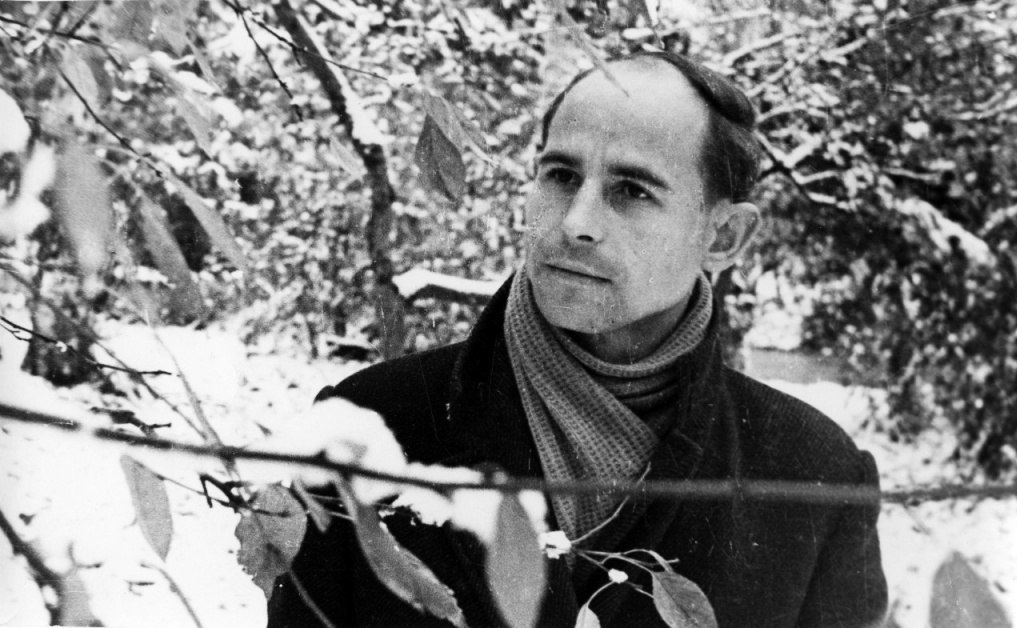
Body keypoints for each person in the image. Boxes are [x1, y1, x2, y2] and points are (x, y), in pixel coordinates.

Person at [267, 50, 887, 627]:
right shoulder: (366, 429)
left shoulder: (815, 478)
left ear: (723, 237)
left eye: (632, 190)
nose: (576, 222)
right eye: (561, 175)